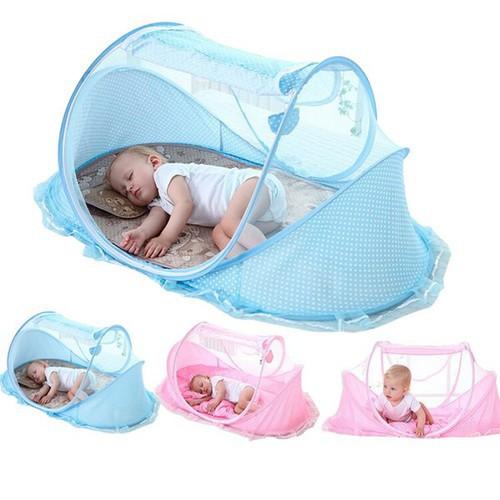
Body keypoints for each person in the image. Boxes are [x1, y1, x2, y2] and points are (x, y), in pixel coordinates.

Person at [106, 146, 287, 258]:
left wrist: (165, 238)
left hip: (255, 184)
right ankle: (246, 263)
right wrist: (142, 233)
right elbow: (155, 219)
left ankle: (270, 258)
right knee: (219, 233)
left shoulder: (165, 173)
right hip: (265, 218)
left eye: (130, 177)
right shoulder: (159, 200)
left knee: (229, 222)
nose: (129, 187)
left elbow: (184, 204)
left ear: (154, 162)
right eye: (124, 191)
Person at [375, 364, 434, 437]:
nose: (387, 391)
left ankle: (431, 421)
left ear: (404, 391)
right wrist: (383, 422)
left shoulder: (409, 398)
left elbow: (420, 414)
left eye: (392, 389)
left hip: (408, 418)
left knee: (421, 406)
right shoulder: (382, 398)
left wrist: (420, 427)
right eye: (385, 386)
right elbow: (377, 412)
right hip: (390, 418)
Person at [25, 360, 96, 404]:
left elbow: (56, 382)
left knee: (74, 389)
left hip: (83, 374)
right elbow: (44, 388)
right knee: (69, 394)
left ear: (44, 366)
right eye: (33, 377)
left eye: (35, 372)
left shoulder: (49, 371)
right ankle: (79, 405)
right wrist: (39, 395)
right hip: (82, 384)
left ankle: (89, 402)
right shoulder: (47, 381)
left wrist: (49, 396)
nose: (35, 376)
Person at [188, 374, 255, 415]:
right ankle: (252, 414)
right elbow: (208, 398)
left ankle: (257, 409)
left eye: (201, 385)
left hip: (245, 389)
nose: (203, 389)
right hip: (240, 398)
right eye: (200, 392)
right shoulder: (212, 393)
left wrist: (215, 403)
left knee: (242, 402)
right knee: (237, 410)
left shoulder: (215, 380)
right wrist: (196, 401)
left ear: (206, 378)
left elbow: (222, 391)